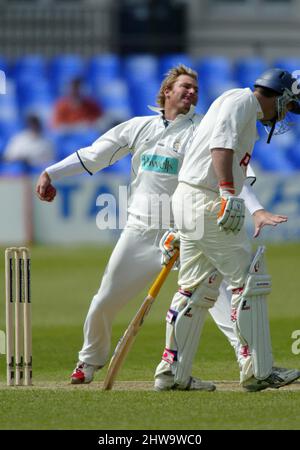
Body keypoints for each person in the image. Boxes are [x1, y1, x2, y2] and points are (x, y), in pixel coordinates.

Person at [36, 65, 286, 390]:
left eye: (195, 88)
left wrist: (256, 210)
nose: (192, 92)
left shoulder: (203, 126)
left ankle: (248, 362)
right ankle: (89, 361)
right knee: (105, 299)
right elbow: (94, 155)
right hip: (141, 230)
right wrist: (51, 172)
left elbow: (233, 172)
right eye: (184, 86)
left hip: (189, 229)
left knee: (221, 299)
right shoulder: (139, 127)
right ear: (166, 91)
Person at [154, 68, 300, 392]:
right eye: (289, 106)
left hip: (192, 199)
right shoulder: (241, 100)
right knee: (249, 278)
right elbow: (220, 148)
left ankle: (172, 374)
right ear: (279, 94)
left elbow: (233, 167)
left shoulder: (243, 111)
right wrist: (225, 193)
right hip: (205, 199)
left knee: (194, 288)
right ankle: (257, 371)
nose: (287, 113)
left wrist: (252, 208)